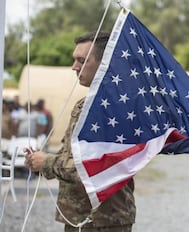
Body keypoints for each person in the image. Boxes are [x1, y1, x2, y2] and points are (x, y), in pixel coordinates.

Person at [24, 32, 136, 232]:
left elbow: (95, 165)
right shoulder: (85, 104)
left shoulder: (111, 108)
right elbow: (71, 156)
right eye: (74, 60)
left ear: (105, 62)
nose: (74, 67)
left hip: (104, 219)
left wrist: (47, 162)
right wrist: (38, 161)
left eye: (81, 61)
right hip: (82, 216)